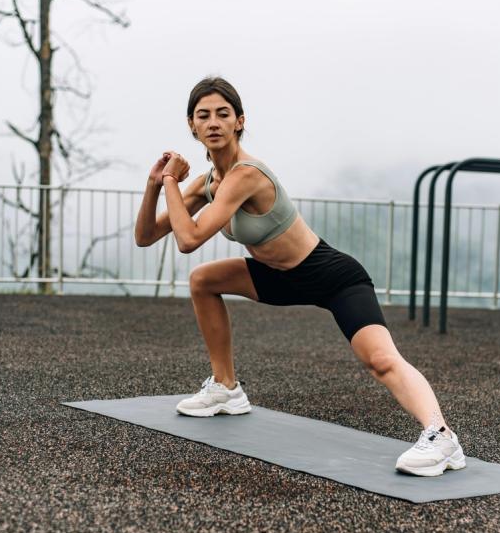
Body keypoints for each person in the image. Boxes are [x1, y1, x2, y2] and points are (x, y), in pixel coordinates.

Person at [134, 76, 465, 477]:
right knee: (204, 280)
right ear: (192, 126)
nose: (214, 122)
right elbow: (146, 235)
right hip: (275, 275)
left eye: (223, 114)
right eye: (204, 116)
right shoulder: (209, 183)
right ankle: (226, 388)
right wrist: (155, 183)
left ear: (240, 121)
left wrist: (170, 180)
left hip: (329, 274)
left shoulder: (246, 176)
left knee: (379, 360)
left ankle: (442, 437)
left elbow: (188, 240)